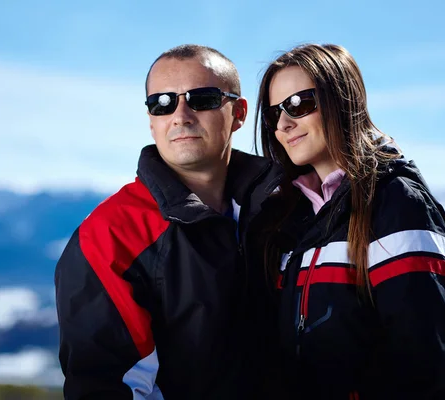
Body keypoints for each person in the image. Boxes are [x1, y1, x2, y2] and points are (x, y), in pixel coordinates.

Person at [54, 44, 283, 399]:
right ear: (151, 121)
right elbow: (106, 388)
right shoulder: (110, 236)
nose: (180, 115)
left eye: (202, 98)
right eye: (162, 102)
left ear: (238, 113)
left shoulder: (286, 208)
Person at [254, 43, 445, 399]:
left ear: (341, 100)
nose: (283, 124)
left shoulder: (396, 203)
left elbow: (428, 366)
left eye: (298, 104)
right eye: (275, 113)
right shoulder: (291, 218)